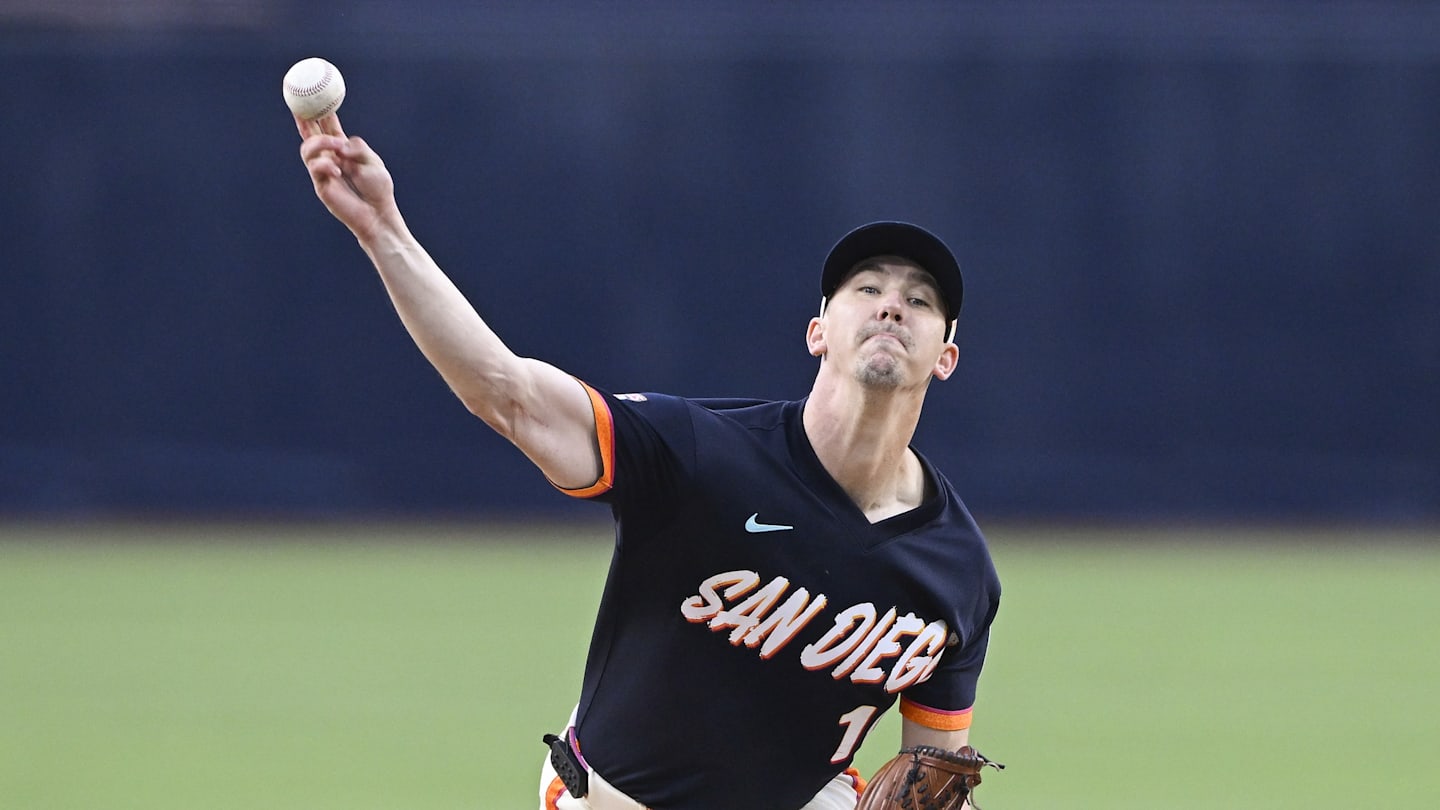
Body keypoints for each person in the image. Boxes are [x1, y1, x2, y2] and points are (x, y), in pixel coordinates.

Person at [295, 111, 1000, 810]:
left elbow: (929, 773)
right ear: (819, 332)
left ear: (946, 356)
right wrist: (383, 231)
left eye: (919, 299)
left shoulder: (957, 569)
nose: (891, 307)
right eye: (867, 289)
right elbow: (506, 393)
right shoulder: (700, 453)